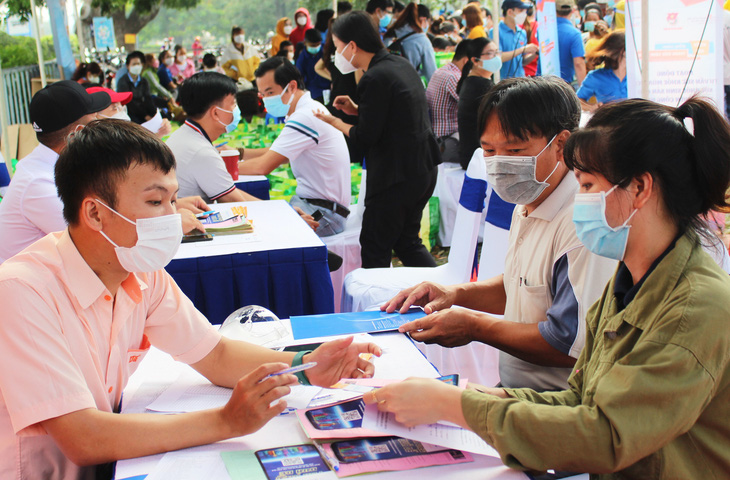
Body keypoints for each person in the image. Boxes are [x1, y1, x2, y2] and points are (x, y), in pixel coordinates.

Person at [366, 96, 730, 479]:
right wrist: (465, 398)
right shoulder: (631, 282)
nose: (580, 202)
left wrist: (457, 405)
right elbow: (580, 398)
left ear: (639, 188)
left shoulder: (695, 308)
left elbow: (607, 435)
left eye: (589, 186)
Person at [0, 119, 381, 478]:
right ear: (96, 213)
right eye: (155, 203)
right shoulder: (22, 291)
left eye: (173, 200)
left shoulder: (139, 269)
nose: (171, 217)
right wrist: (225, 422)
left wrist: (304, 365)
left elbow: (214, 355)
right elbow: (83, 437)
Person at [384, 76, 617, 392]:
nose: (499, 164)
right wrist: (454, 294)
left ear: (561, 144)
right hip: (513, 388)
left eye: (515, 149)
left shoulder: (582, 223)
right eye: (488, 150)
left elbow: (568, 342)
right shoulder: (530, 198)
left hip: (558, 403)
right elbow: (524, 286)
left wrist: (474, 327)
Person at [314, 11, 440, 268]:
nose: (337, 55)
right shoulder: (398, 64)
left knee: (375, 247)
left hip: (397, 176)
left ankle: (377, 306)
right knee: (407, 242)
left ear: (352, 46)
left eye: (338, 48)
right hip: (423, 168)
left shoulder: (374, 76)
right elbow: (395, 114)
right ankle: (443, 297)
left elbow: (365, 137)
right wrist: (358, 109)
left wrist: (334, 121)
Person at [0, 81, 109, 264]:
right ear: (77, 134)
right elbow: (97, 239)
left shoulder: (51, 166)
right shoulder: (38, 183)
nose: (101, 123)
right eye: (94, 121)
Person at [240, 57, 350, 237]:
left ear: (291, 87)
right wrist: (240, 154)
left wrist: (222, 169)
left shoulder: (305, 116)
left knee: (260, 230)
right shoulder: (307, 109)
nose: (266, 100)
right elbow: (279, 153)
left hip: (325, 214)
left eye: (270, 93)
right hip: (319, 206)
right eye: (262, 95)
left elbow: (263, 166)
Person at [165, 73, 257, 204]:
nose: (236, 110)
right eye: (233, 104)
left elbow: (229, 190)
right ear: (215, 113)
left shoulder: (184, 136)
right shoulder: (201, 152)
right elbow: (237, 203)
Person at [456, 37, 498, 170]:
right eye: (491, 53)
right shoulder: (481, 85)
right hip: (479, 159)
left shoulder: (471, 81)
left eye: (497, 53)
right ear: (475, 60)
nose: (496, 57)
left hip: (471, 155)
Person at [425, 38, 470, 164]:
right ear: (467, 61)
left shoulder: (442, 71)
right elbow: (475, 106)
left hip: (438, 139)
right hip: (448, 142)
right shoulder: (454, 77)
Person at [384, 2, 437, 81]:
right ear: (423, 19)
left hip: (385, 81)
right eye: (428, 22)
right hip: (407, 85)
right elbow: (431, 73)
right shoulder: (422, 40)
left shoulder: (390, 33)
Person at [577, 30, 627, 112]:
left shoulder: (639, 76)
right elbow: (578, 100)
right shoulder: (595, 77)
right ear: (617, 53)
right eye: (627, 53)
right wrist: (591, 107)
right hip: (608, 123)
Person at [490, 0, 538, 79]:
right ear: (509, 12)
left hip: (520, 80)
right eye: (520, 10)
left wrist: (535, 53)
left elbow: (522, 61)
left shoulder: (522, 32)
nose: (524, 14)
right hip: (502, 80)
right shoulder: (495, 32)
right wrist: (522, 50)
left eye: (525, 11)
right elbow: (498, 57)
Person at [116, 51, 157, 125]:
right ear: (128, 66)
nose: (137, 66)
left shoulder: (144, 81)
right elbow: (129, 102)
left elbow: (148, 98)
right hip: (129, 113)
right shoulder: (122, 82)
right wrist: (145, 116)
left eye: (138, 64)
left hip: (142, 111)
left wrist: (153, 113)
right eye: (134, 64)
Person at [295, 29, 331, 103]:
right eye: (313, 45)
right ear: (305, 43)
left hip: (330, 88)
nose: (316, 47)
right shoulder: (302, 59)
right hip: (314, 93)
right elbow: (300, 78)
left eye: (318, 44)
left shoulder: (326, 51)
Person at [556, 0, 587, 86]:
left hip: (542, 83)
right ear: (573, 10)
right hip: (563, 85)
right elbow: (578, 63)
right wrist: (582, 94)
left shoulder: (544, 31)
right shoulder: (574, 33)